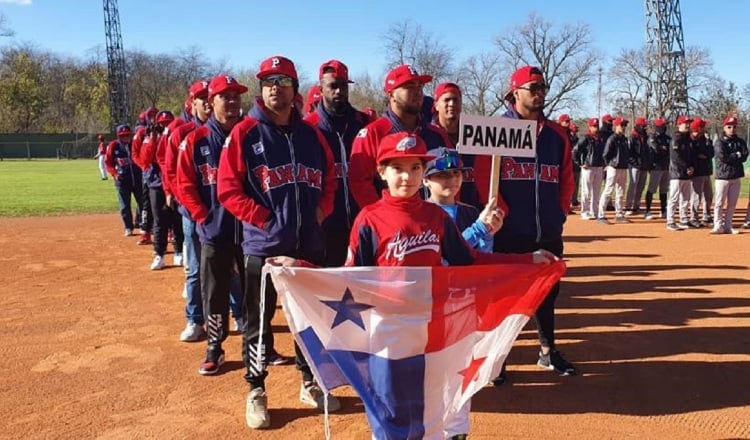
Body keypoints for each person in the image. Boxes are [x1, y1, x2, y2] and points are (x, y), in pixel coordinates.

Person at [268, 132, 555, 440]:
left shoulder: (435, 216)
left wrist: (527, 260)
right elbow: (347, 279)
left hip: (432, 331)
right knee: (389, 408)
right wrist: (302, 270)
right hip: (387, 334)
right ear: (382, 172)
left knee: (434, 403)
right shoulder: (369, 219)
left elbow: (469, 261)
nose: (407, 176)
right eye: (397, 168)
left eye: (415, 168)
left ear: (423, 171)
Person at [216, 55, 340, 429]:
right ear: (261, 89)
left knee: (309, 320)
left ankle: (309, 381)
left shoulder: (313, 135)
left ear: (294, 89)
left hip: (308, 246)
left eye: (282, 81)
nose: (274, 87)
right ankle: (255, 389)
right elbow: (227, 189)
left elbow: (331, 180)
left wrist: (319, 215)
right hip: (264, 249)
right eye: (268, 81)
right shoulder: (245, 133)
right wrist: (266, 222)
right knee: (259, 323)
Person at [474, 65, 576, 382]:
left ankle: (547, 352)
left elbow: (567, 180)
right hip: (509, 233)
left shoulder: (557, 135)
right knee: (505, 299)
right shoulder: (498, 128)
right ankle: (497, 359)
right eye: (532, 87)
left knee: (548, 295)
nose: (539, 93)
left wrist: (558, 213)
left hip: (546, 230)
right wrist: (500, 216)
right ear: (515, 92)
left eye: (542, 87)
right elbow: (483, 179)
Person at [176, 74, 248, 375]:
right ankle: (215, 347)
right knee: (214, 292)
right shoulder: (195, 140)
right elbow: (184, 185)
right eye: (224, 97)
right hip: (215, 231)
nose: (231, 102)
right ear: (211, 101)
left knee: (254, 291)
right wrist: (204, 218)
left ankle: (259, 345)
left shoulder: (251, 134)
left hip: (249, 232)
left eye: (235, 96)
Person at [349, 64, 453, 209]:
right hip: (391, 225)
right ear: (391, 94)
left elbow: (450, 177)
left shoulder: (437, 134)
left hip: (434, 223)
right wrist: (383, 218)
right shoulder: (372, 134)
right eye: (409, 86)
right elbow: (360, 183)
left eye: (419, 87)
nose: (417, 92)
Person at [304, 60, 370, 267]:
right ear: (321, 87)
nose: (339, 91)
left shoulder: (364, 123)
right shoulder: (308, 128)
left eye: (343, 85)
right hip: (327, 226)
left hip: (363, 222)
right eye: (333, 85)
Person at [165, 79, 212, 342]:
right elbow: (171, 171)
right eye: (201, 97)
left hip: (221, 212)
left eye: (209, 96)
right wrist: (183, 201)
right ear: (192, 102)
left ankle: (237, 313)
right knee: (195, 268)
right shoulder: (181, 132)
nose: (207, 101)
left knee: (230, 268)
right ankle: (195, 320)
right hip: (193, 212)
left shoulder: (228, 130)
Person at [423, 147, 502, 253]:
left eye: (456, 173)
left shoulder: (471, 212)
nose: (452, 179)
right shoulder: (420, 214)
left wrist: (488, 235)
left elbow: (482, 255)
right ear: (426, 180)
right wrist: (479, 228)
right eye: (443, 175)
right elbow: (443, 255)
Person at [138, 110, 184, 270]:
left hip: (174, 182)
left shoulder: (178, 135)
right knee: (160, 220)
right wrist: (153, 140)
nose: (165, 127)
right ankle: (159, 254)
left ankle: (179, 252)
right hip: (157, 183)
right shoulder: (151, 137)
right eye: (162, 124)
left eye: (168, 123)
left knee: (177, 219)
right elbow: (145, 159)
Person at [432, 82, 482, 209]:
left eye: (456, 100)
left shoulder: (475, 132)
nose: (452, 104)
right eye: (447, 100)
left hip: (471, 208)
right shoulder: (428, 134)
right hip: (437, 211)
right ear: (436, 105)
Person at [104, 124, 144, 236]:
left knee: (142, 203)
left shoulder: (135, 144)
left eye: (127, 135)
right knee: (124, 206)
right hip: (122, 181)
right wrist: (114, 173)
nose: (126, 138)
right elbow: (108, 163)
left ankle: (142, 224)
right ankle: (128, 227)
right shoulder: (114, 146)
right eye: (122, 136)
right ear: (118, 136)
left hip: (137, 179)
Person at [711, 115, 748, 234]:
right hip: (723, 176)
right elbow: (723, 157)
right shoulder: (720, 142)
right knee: (719, 202)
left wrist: (736, 155)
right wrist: (736, 155)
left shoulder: (740, 141)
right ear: (725, 127)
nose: (732, 129)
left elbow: (744, 155)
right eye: (729, 126)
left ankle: (728, 225)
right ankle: (717, 225)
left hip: (736, 176)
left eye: (734, 127)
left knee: (732, 203)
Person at [131, 107, 159, 245]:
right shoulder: (141, 132)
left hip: (160, 172)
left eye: (155, 115)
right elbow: (135, 153)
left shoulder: (163, 130)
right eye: (151, 115)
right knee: (146, 204)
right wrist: (143, 166)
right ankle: (145, 232)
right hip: (147, 173)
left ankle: (168, 231)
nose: (154, 118)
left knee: (163, 205)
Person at [597, 117, 631, 224]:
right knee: (608, 191)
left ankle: (619, 214)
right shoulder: (612, 139)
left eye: (625, 125)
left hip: (623, 167)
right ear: (616, 126)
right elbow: (605, 154)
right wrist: (609, 164)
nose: (624, 127)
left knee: (620, 192)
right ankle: (601, 215)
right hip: (613, 168)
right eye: (622, 125)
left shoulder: (625, 139)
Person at [665, 115, 695, 231]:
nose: (688, 125)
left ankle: (683, 219)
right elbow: (676, 157)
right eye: (685, 123)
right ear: (679, 125)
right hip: (676, 173)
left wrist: (691, 166)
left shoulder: (688, 139)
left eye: (688, 123)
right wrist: (687, 166)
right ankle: (670, 221)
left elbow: (691, 155)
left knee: (686, 198)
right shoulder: (676, 138)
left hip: (686, 173)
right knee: (674, 198)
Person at [573, 118, 606, 220]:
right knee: (586, 191)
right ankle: (584, 212)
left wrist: (604, 163)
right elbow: (575, 151)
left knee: (596, 191)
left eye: (597, 126)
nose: (596, 128)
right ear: (590, 127)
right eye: (594, 126)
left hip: (599, 167)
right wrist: (580, 163)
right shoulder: (585, 138)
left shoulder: (601, 138)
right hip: (588, 167)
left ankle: (594, 211)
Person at [687, 118, 714, 227]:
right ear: (698, 128)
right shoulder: (691, 140)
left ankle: (706, 215)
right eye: (702, 126)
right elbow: (694, 155)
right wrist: (702, 156)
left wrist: (708, 141)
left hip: (706, 171)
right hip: (697, 172)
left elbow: (711, 153)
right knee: (696, 196)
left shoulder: (705, 139)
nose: (704, 128)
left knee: (708, 195)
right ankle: (693, 217)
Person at [624, 117, 653, 216]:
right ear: (638, 126)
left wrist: (648, 164)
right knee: (633, 185)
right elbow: (629, 153)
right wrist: (635, 163)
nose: (644, 128)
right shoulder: (632, 137)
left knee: (641, 187)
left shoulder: (646, 138)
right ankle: (628, 206)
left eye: (645, 126)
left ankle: (636, 206)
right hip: (634, 166)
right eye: (643, 126)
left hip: (644, 165)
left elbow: (648, 152)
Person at [645, 117, 671, 219]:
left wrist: (664, 148)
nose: (665, 127)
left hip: (666, 166)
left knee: (664, 189)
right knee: (652, 188)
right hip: (656, 166)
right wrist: (662, 148)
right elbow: (655, 148)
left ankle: (663, 210)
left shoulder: (668, 138)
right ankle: (647, 211)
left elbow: (671, 150)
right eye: (663, 125)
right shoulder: (653, 137)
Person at [558, 114, 580, 212]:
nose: (568, 123)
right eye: (566, 121)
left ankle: (567, 206)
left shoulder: (568, 135)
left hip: (569, 163)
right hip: (559, 162)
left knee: (568, 185)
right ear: (561, 122)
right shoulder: (558, 132)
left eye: (568, 121)